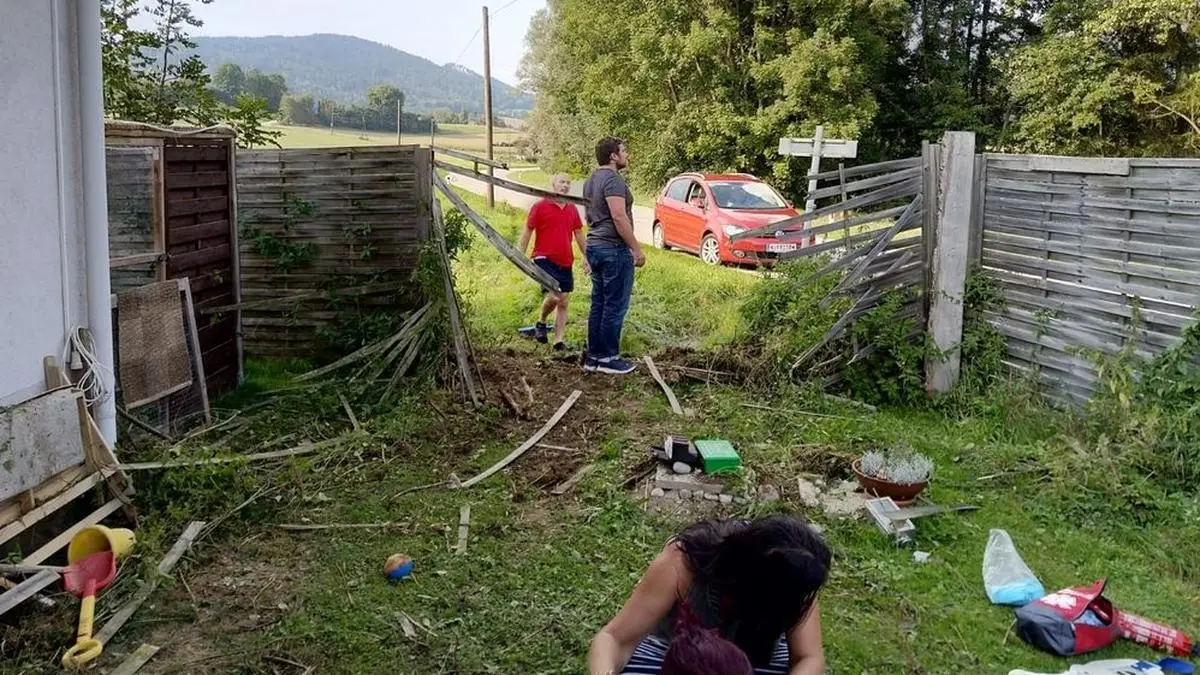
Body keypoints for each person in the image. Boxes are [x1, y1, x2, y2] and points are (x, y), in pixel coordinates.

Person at [588, 515, 831, 675]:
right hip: (681, 659)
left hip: (753, 664)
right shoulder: (684, 563)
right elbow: (614, 639)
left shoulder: (794, 577)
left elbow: (808, 658)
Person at [583, 137, 645, 375]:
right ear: (613, 156)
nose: (626, 155)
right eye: (624, 151)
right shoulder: (613, 180)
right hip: (612, 249)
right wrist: (636, 248)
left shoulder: (591, 180)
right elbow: (619, 217)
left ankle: (594, 358)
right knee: (614, 305)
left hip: (595, 246)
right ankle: (609, 357)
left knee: (598, 303)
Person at [517, 173, 589, 351]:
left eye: (568, 182)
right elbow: (528, 230)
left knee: (563, 301)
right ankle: (541, 322)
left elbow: (579, 234)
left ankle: (558, 340)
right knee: (555, 296)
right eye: (561, 182)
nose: (565, 185)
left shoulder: (571, 208)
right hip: (543, 257)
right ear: (554, 185)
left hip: (565, 260)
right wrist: (520, 254)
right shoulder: (540, 206)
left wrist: (586, 257)